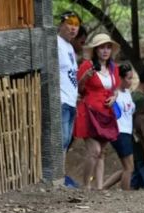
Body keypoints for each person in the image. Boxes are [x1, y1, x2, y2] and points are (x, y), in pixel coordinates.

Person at [75, 33, 121, 191]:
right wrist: (84, 79)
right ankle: (86, 185)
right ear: (95, 50)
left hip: (106, 113)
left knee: (102, 152)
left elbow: (116, 89)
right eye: (102, 47)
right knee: (94, 150)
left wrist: (114, 97)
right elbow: (78, 89)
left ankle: (99, 188)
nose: (105, 51)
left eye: (108, 47)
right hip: (89, 112)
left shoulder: (114, 68)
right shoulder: (87, 66)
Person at [102, 64, 136, 191]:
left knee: (127, 167)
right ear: (120, 78)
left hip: (127, 131)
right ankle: (126, 194)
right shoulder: (114, 94)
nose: (131, 82)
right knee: (129, 167)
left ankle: (103, 187)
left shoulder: (127, 93)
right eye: (128, 78)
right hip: (119, 131)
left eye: (132, 78)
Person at [57, 11, 82, 188]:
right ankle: (58, 176)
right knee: (62, 139)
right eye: (70, 23)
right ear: (61, 25)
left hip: (72, 100)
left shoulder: (70, 48)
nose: (73, 27)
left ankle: (62, 174)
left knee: (67, 141)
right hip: (61, 99)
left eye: (76, 24)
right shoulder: (55, 43)